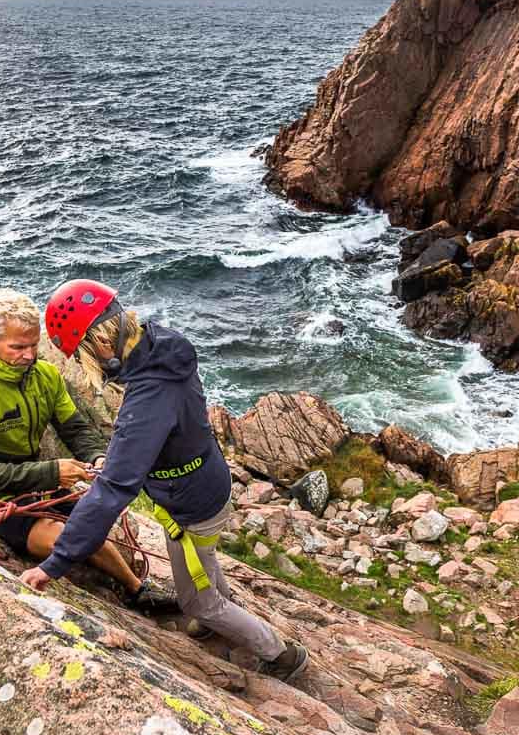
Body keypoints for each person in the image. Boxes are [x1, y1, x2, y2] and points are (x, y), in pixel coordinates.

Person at [20, 280, 308, 682]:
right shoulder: (159, 345)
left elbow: (112, 493)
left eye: (82, 355)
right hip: (205, 482)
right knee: (201, 559)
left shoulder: (148, 396)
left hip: (190, 505)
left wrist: (55, 564)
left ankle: (280, 654)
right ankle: (217, 614)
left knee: (196, 602)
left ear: (99, 345)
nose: (90, 368)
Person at [0, 288, 177, 614]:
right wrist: (51, 472)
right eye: (18, 347)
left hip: (35, 485)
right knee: (66, 538)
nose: (28, 355)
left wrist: (97, 456)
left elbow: (74, 428)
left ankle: (139, 591)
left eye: (34, 345)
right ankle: (135, 591)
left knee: (91, 523)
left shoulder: (45, 376)